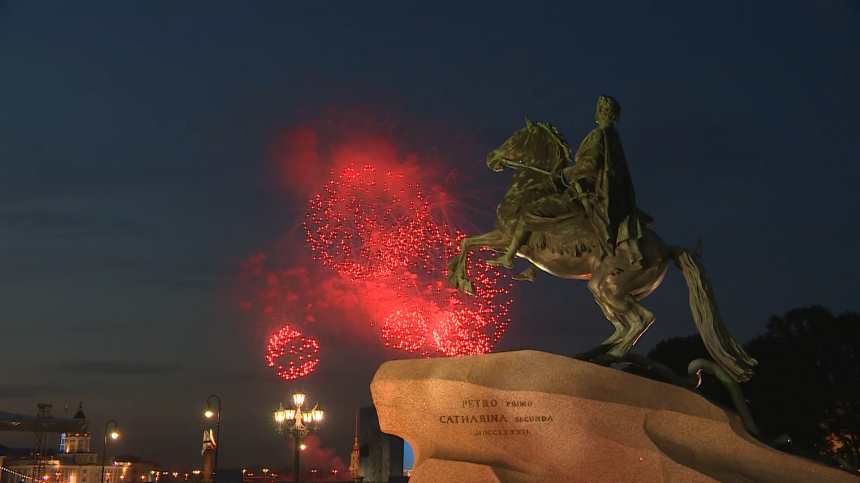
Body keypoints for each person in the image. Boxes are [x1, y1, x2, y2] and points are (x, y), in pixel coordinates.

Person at [565, 95, 652, 270]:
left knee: (556, 205)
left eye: (602, 110)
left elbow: (592, 164)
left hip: (595, 189)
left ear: (602, 114)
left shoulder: (599, 135)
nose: (599, 112)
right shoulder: (614, 138)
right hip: (614, 193)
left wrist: (567, 171)